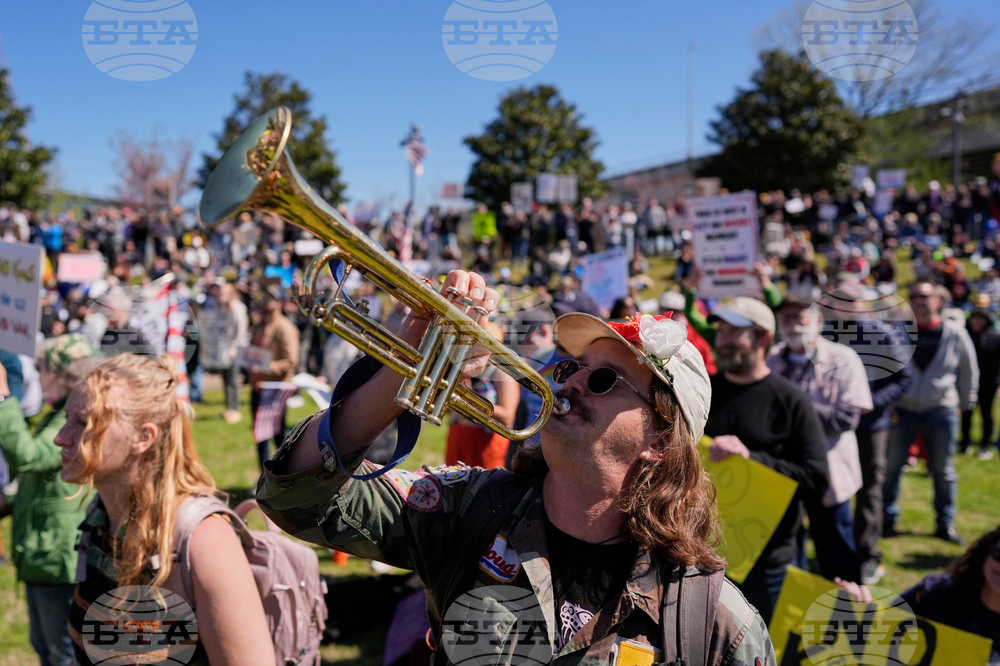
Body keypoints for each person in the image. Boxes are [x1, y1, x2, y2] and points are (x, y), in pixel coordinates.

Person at [257, 270, 775, 664]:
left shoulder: (715, 622)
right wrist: (405, 365)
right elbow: (296, 497)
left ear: (661, 441)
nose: (569, 383)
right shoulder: (468, 509)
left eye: (604, 381)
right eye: (572, 367)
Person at [59, 354, 275, 666]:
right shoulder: (99, 518)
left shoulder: (205, 541)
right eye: (66, 418)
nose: (61, 437)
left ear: (143, 437)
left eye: (82, 422)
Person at [703, 297, 830, 623]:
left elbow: (817, 478)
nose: (724, 340)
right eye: (722, 332)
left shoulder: (791, 402)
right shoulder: (703, 392)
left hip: (767, 563)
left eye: (735, 333)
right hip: (701, 554)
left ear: (763, 340)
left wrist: (751, 459)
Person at [0, 336, 102, 666]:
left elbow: (29, 456)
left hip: (57, 561)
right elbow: (42, 481)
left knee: (63, 653)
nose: (37, 375)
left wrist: (3, 398)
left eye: (42, 368)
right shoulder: (55, 415)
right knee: (45, 648)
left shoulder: (68, 421)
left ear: (62, 374)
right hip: (42, 556)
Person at [767, 295, 872, 584]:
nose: (794, 323)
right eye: (787, 318)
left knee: (837, 550)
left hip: (831, 474)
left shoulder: (843, 359)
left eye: (801, 316)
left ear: (818, 321)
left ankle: (849, 610)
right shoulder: (771, 359)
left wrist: (793, 408)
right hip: (785, 474)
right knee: (789, 552)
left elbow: (845, 418)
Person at [883, 280, 979, 546]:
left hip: (940, 410)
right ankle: (886, 519)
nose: (919, 301)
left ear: (938, 300)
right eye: (914, 296)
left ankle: (944, 524)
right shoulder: (897, 331)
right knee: (891, 468)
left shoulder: (955, 333)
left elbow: (968, 371)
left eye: (925, 296)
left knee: (943, 470)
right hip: (902, 410)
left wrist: (966, 403)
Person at [901, 525, 1000, 665]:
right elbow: (880, 627)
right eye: (998, 555)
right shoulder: (936, 593)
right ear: (986, 553)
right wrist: (862, 604)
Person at [249, 282, 301, 469]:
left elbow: (290, 361)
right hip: (260, 387)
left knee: (277, 439)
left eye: (269, 298)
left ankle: (281, 477)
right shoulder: (262, 326)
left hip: (274, 389)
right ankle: (265, 478)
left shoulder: (285, 327)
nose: (263, 301)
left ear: (279, 302)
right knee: (261, 437)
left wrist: (264, 367)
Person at [961, 306, 1000, 460]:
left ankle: (985, 445)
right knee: (966, 412)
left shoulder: (995, 337)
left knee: (986, 414)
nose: (976, 322)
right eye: (974, 318)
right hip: (968, 381)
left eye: (980, 319)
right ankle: (965, 443)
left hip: (989, 382)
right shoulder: (965, 336)